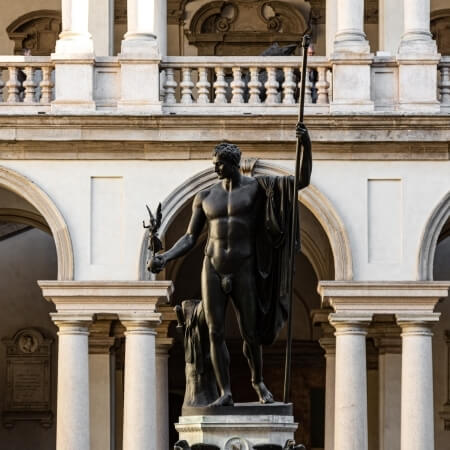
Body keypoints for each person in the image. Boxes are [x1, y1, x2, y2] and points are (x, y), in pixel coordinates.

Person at [149, 123, 312, 406]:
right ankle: (225, 392)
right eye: (214, 165)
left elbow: (300, 182)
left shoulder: (257, 189)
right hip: (212, 266)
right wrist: (165, 257)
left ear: (232, 163)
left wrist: (305, 145)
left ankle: (258, 383)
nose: (216, 170)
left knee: (250, 331)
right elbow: (190, 237)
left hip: (244, 266)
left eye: (220, 165)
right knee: (214, 330)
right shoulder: (205, 196)